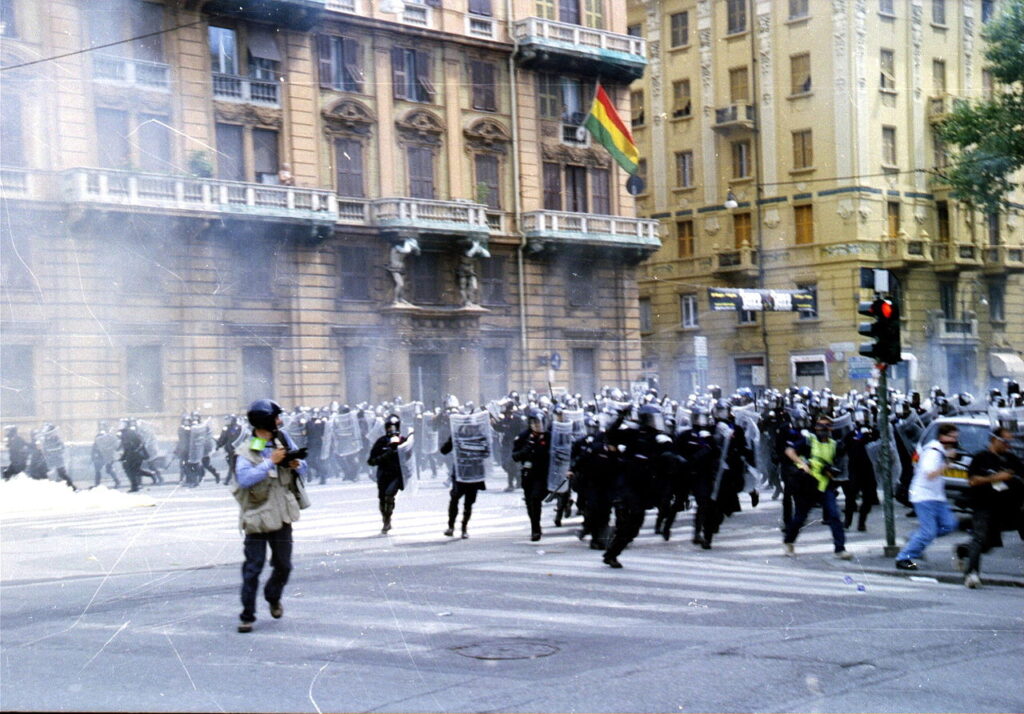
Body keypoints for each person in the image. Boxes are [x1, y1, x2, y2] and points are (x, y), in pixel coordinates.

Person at [233, 399, 308, 633]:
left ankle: (273, 596)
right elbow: (244, 479)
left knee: (284, 565)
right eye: (276, 417)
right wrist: (269, 462)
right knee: (253, 567)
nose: (280, 421)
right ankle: (247, 615)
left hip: (282, 513)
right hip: (257, 515)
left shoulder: (283, 439)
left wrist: (297, 464)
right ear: (265, 420)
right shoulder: (249, 447)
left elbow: (304, 467)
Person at [954, 428, 1023, 588]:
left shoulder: (1011, 459)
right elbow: (973, 481)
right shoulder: (981, 458)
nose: (1008, 445)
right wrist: (995, 478)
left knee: (990, 543)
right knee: (981, 539)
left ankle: (965, 551)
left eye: (1010, 442)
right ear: (994, 440)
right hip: (985, 505)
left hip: (1010, 507)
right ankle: (971, 574)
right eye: (1005, 441)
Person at [782, 416, 852, 559]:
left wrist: (832, 471)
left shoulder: (834, 445)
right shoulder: (809, 440)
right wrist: (803, 464)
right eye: (820, 426)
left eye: (825, 427)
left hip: (825, 485)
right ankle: (789, 542)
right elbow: (790, 451)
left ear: (830, 429)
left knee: (834, 515)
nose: (822, 430)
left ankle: (840, 549)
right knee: (800, 517)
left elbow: (839, 465)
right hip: (808, 484)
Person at [894, 422, 961, 571]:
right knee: (929, 531)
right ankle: (904, 557)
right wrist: (947, 464)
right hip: (924, 497)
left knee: (949, 524)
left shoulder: (940, 451)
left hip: (937, 497)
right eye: (952, 437)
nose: (955, 441)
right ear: (943, 437)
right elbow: (929, 474)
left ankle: (914, 539)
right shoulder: (933, 452)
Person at [512, 407, 551, 541]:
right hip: (528, 473)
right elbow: (515, 456)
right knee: (530, 502)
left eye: (539, 422)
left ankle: (536, 528)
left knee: (536, 498)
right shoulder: (523, 437)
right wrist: (527, 448)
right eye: (534, 423)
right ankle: (535, 526)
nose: (537, 425)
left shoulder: (549, 436)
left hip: (544, 473)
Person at [367, 414, 406, 534]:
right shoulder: (381, 441)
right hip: (383, 474)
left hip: (397, 475)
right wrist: (386, 454)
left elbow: (410, 459)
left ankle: (387, 520)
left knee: (390, 495)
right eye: (389, 427)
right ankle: (385, 518)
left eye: (394, 427)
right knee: (382, 499)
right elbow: (371, 460)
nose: (392, 430)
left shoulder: (404, 441)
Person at [91, 422, 122, 489]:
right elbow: (95, 445)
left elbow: (114, 445)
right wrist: (94, 455)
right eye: (101, 426)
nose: (102, 427)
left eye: (104, 426)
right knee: (98, 470)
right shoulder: (100, 435)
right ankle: (97, 484)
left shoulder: (110, 435)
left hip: (107, 455)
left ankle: (117, 481)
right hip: (100, 455)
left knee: (109, 469)